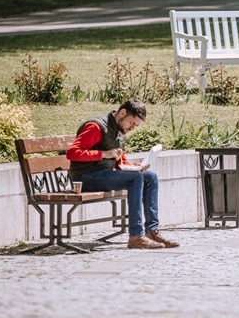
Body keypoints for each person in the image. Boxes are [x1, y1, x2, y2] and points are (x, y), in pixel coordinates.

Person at [66, 98, 179, 249]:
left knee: (149, 177)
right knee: (135, 179)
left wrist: (135, 167)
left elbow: (120, 162)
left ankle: (152, 231)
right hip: (84, 177)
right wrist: (103, 154)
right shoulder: (96, 126)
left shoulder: (120, 130)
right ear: (122, 113)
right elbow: (72, 153)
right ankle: (136, 236)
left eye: (136, 125)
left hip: (103, 174)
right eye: (132, 123)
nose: (132, 128)